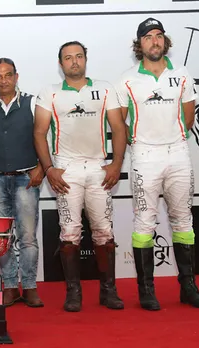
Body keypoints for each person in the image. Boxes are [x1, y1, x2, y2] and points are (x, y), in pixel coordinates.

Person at [116, 18, 199, 310]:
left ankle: (188, 286)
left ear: (165, 42)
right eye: (148, 37)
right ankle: (146, 290)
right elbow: (119, 122)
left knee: (183, 220)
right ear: (139, 44)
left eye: (159, 36)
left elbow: (189, 116)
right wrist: (139, 141)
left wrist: (172, 138)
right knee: (145, 220)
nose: (154, 41)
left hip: (178, 152)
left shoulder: (182, 74)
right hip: (145, 155)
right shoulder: (127, 79)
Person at [34, 41, 127, 312]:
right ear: (60, 63)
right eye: (68, 58)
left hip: (99, 167)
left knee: (104, 232)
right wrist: (49, 168)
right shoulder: (49, 92)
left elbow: (118, 128)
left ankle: (108, 291)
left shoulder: (105, 88)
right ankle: (73, 292)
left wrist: (115, 164)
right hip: (67, 169)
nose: (74, 62)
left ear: (85, 59)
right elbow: (39, 132)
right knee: (70, 232)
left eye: (78, 56)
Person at [0, 58, 44, 307]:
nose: (3, 80)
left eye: (8, 75)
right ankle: (9, 286)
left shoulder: (31, 102)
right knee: (1, 237)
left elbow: (44, 135)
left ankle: (29, 286)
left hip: (26, 178)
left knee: (27, 236)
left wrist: (42, 166)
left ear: (16, 77)